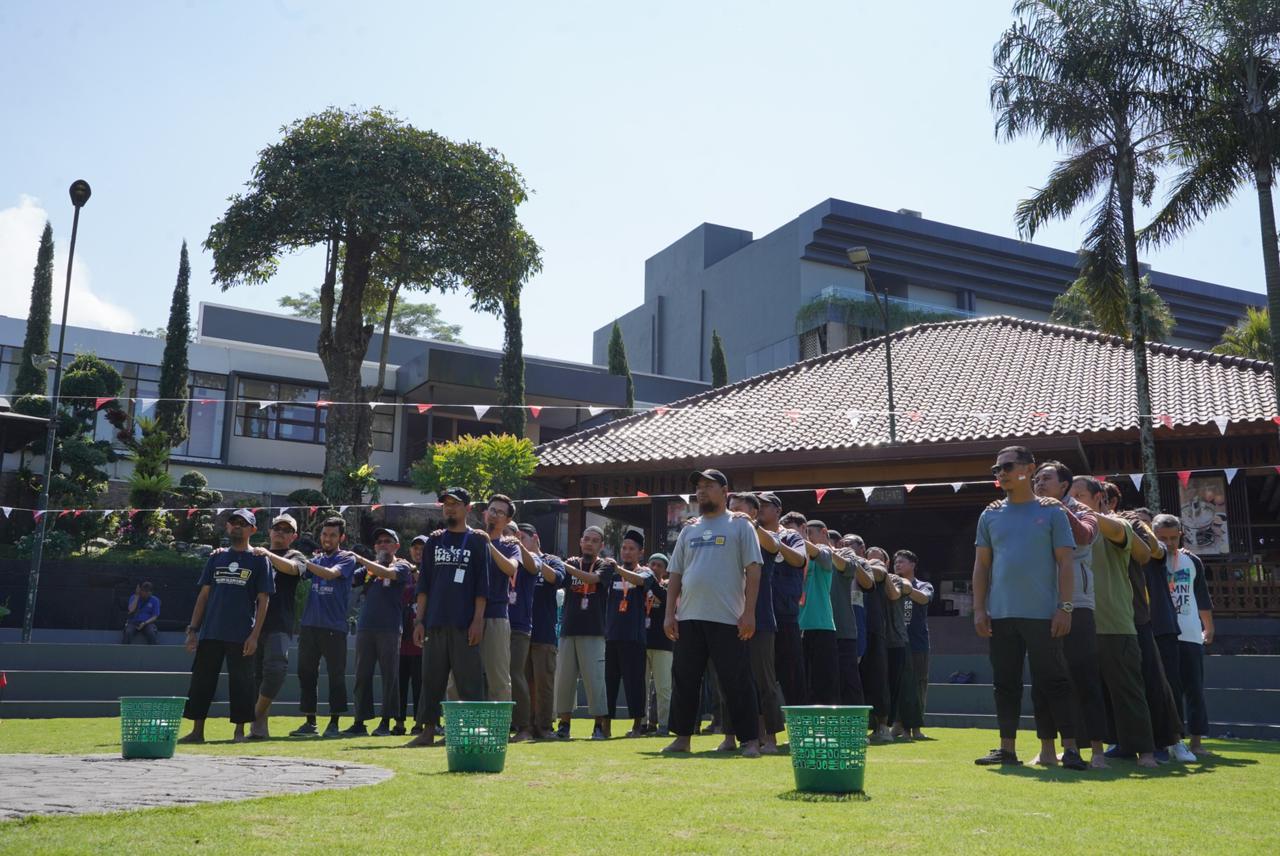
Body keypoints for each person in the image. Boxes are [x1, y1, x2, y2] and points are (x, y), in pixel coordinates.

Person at [972, 446, 1085, 769]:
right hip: (1001, 615)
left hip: (1043, 614)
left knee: (1055, 680)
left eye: (1007, 466)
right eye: (997, 469)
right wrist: (980, 609)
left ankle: (1072, 750)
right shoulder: (990, 514)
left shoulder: (1052, 512)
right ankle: (1007, 749)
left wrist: (1065, 607)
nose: (1002, 473)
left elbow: (1065, 563)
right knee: (1004, 683)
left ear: (1029, 468)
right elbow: (981, 566)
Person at [662, 468, 764, 758]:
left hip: (729, 617)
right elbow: (675, 573)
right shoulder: (689, 529)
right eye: (698, 487)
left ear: (725, 491)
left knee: (737, 681)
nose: (702, 491)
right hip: (689, 616)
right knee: (685, 679)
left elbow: (754, 571)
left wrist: (749, 612)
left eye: (709, 486)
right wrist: (670, 613)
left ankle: (749, 741)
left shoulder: (740, 526)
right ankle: (682, 738)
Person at [1068, 476, 1158, 768]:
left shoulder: (1116, 524)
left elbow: (1145, 553)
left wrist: (1067, 508)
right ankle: (1078, 751)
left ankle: (1145, 751)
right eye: (1070, 495)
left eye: (1078, 495)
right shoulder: (1063, 526)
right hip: (1079, 621)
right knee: (1080, 689)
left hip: (1116, 620)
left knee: (1128, 690)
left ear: (1099, 498)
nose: (1073, 500)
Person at [1029, 460, 1108, 768]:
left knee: (1085, 675)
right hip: (1039, 604)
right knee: (1042, 678)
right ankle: (1047, 748)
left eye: (1045, 478)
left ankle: (1097, 751)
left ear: (1064, 485)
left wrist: (1058, 509)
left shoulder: (1084, 512)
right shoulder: (1031, 512)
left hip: (1077, 604)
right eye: (1036, 479)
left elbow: (1086, 536)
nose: (1038, 483)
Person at [179, 509, 273, 744]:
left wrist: (254, 636)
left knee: (242, 683)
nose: (237, 527)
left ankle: (239, 733)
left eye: (243, 523)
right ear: (227, 527)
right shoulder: (216, 557)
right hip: (211, 632)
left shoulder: (260, 559)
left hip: (241, 634)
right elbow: (204, 595)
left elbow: (264, 600)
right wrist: (193, 630)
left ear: (253, 529)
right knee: (201, 681)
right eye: (233, 523)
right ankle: (197, 732)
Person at [405, 487, 489, 748]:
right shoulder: (433, 542)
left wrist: (478, 621)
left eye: (455, 503)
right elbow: (424, 585)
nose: (449, 508)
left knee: (470, 681)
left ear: (468, 508)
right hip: (435, 622)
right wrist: (419, 621)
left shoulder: (477, 541)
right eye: (446, 504)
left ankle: (474, 732)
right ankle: (427, 732)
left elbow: (481, 587)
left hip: (464, 624)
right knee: (431, 679)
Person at [719, 492, 787, 754]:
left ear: (754, 513)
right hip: (728, 617)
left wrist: (751, 524)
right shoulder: (728, 538)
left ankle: (770, 738)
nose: (733, 513)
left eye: (738, 509)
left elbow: (774, 546)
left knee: (764, 680)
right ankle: (729, 736)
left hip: (761, 620)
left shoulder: (763, 536)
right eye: (730, 508)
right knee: (729, 679)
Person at [291, 516, 358, 738]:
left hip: (334, 627)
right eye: (325, 534)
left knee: (335, 676)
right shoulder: (316, 560)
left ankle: (334, 723)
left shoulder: (347, 558)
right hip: (309, 626)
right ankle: (310, 723)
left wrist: (302, 560)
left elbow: (330, 574)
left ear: (342, 537)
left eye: (332, 535)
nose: (327, 538)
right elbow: (296, 572)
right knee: (306, 673)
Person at [1156, 513, 1216, 757]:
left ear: (1180, 534)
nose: (1169, 543)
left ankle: (1197, 742)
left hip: (1190, 633)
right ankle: (1173, 741)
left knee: (1194, 689)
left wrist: (1208, 627)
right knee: (1169, 690)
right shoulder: (1149, 561)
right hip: (1162, 633)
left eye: (1173, 537)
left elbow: (1201, 596)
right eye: (1162, 538)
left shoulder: (1193, 562)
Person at [344, 527, 413, 736]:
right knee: (362, 675)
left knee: (389, 676)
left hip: (389, 628)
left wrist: (360, 558)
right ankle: (360, 721)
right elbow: (348, 577)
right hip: (366, 627)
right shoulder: (368, 571)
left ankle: (386, 721)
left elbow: (388, 574)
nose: (382, 544)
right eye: (379, 542)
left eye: (387, 541)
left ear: (396, 546)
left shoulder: (401, 566)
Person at [247, 513, 308, 740]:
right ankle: (259, 726)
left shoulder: (296, 555)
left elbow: (293, 569)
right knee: (255, 676)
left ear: (293, 536)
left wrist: (268, 554)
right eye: (277, 528)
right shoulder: (256, 555)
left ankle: (253, 716)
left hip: (279, 623)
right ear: (270, 531)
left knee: (275, 670)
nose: (280, 532)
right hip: (251, 623)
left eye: (286, 530)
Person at [554, 526, 612, 740]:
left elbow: (592, 580)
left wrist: (564, 566)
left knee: (595, 680)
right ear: (580, 542)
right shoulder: (570, 564)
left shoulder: (605, 565)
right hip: (568, 630)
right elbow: (557, 579)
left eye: (594, 540)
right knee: (565, 680)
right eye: (586, 539)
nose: (589, 543)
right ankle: (564, 724)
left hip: (594, 631)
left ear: (601, 545)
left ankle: (598, 726)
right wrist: (559, 565)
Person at [603, 529, 655, 738]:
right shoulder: (611, 572)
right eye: (624, 548)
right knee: (609, 682)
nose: (626, 552)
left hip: (634, 638)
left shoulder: (645, 572)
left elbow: (641, 582)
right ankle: (605, 727)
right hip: (612, 636)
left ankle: (636, 726)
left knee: (635, 683)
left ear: (640, 552)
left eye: (631, 549)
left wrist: (618, 569)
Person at [470, 494, 522, 703]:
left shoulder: (510, 545)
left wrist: (488, 545)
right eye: (492, 510)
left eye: (500, 512)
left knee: (498, 678)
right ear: (484, 513)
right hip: (465, 617)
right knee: (458, 677)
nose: (494, 515)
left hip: (496, 617)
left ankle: (497, 732)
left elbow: (510, 568)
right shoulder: (469, 539)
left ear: (507, 520)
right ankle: (456, 731)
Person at [516, 523, 565, 740]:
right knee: (522, 682)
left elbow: (557, 578)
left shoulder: (551, 559)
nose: (517, 542)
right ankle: (524, 727)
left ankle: (544, 727)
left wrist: (535, 561)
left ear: (534, 538)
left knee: (544, 682)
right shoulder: (515, 561)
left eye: (521, 537)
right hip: (520, 631)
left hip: (544, 631)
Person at [794, 518, 848, 705]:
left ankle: (827, 729)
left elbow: (826, 560)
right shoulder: (794, 554)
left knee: (824, 684)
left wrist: (799, 539)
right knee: (800, 684)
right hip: (796, 626)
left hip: (821, 626)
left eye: (808, 533)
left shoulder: (825, 551)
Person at [759, 496, 808, 706]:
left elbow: (799, 560)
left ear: (777, 510)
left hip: (785, 615)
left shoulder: (791, 536)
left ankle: (800, 733)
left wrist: (774, 543)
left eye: (763, 505)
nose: (758, 509)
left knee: (792, 677)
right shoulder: (749, 534)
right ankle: (760, 734)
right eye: (756, 505)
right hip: (757, 615)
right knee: (759, 677)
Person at [892, 550, 931, 739]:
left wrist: (907, 589)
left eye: (902, 562)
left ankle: (916, 727)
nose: (897, 565)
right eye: (895, 562)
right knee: (898, 685)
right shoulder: (891, 586)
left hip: (917, 644)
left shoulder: (923, 585)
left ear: (913, 565)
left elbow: (924, 598)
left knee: (918, 685)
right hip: (896, 642)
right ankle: (898, 724)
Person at [858, 544, 893, 742]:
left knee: (878, 679)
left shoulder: (873, 567)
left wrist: (863, 563)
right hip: (851, 630)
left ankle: (882, 726)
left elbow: (879, 572)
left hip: (873, 629)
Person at [395, 534, 427, 736]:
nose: (418, 551)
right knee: (400, 685)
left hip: (423, 639)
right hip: (401, 638)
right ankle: (398, 723)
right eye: (415, 547)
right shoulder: (402, 571)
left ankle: (420, 723)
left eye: (422, 548)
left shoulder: (433, 572)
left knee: (420, 684)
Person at [831, 535, 868, 707]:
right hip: (830, 626)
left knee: (853, 678)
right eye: (842, 543)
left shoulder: (865, 563)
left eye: (849, 544)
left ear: (862, 547)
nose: (845, 546)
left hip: (854, 625)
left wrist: (853, 561)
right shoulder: (829, 558)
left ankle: (861, 726)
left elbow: (868, 584)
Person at [643, 552, 673, 736]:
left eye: (659, 566)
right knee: (642, 687)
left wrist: (652, 582)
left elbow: (667, 599)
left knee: (663, 687)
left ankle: (664, 724)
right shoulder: (641, 587)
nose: (654, 568)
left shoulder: (668, 588)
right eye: (652, 564)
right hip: (643, 642)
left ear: (665, 571)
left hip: (663, 644)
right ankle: (643, 724)